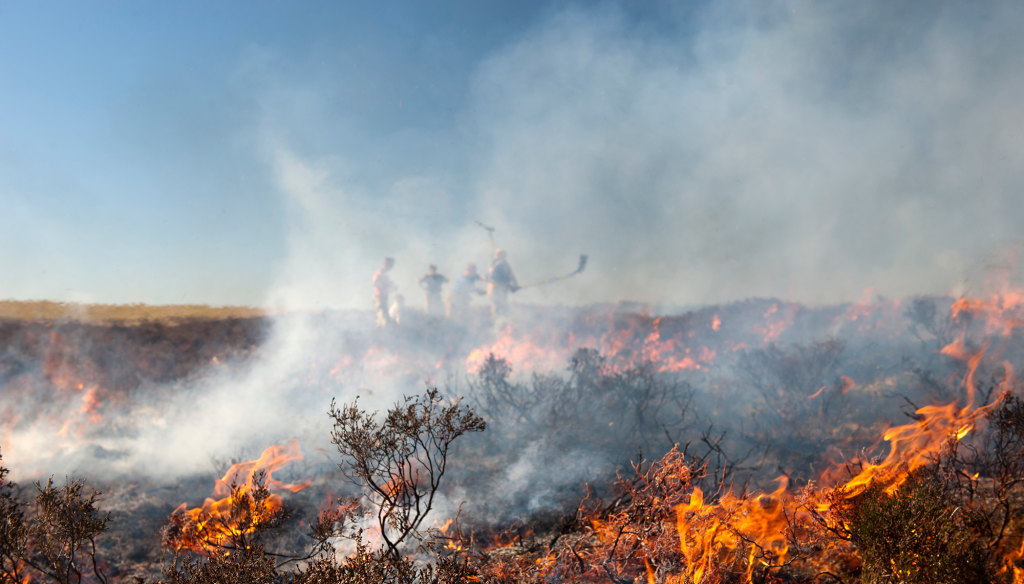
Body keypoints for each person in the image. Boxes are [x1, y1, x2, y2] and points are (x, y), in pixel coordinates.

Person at [487, 248, 519, 317]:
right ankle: (500, 319)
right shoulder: (503, 263)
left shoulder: (492, 264)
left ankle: (497, 319)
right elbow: (511, 276)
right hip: (498, 288)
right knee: (500, 306)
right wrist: (516, 286)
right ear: (502, 255)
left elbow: (489, 277)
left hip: (492, 289)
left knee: (496, 305)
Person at [372, 257, 396, 327]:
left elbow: (387, 285)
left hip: (384, 298)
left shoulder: (385, 275)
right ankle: (381, 329)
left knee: (385, 318)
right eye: (391, 265)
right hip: (379, 298)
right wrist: (384, 287)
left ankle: (384, 328)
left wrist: (391, 286)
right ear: (386, 264)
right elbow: (375, 283)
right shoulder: (379, 273)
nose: (391, 268)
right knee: (382, 317)